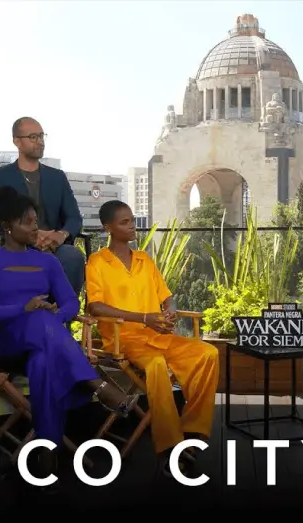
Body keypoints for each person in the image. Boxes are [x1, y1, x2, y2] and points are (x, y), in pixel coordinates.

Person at [0, 186, 139, 485]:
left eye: (36, 221)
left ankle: (47, 457)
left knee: (43, 363)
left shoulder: (48, 261)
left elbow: (71, 302)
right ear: (7, 226)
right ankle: (96, 384)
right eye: (27, 222)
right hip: (2, 344)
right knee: (39, 320)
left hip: (42, 344)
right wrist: (23, 309)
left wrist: (52, 320)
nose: (35, 227)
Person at [85, 200, 219, 478]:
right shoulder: (97, 262)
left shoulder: (144, 260)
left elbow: (167, 297)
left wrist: (170, 312)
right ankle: (170, 447)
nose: (132, 226)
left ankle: (192, 432)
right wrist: (144, 318)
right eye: (124, 222)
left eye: (132, 220)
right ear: (108, 227)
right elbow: (95, 307)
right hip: (124, 341)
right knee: (156, 365)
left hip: (159, 336)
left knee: (208, 353)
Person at [0, 117, 86, 296]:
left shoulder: (57, 177)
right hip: (15, 247)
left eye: (42, 136)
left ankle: (60, 311)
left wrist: (61, 235)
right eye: (33, 137)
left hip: (53, 247)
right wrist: (30, 235)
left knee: (72, 256)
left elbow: (74, 218)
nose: (40, 142)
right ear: (17, 141)